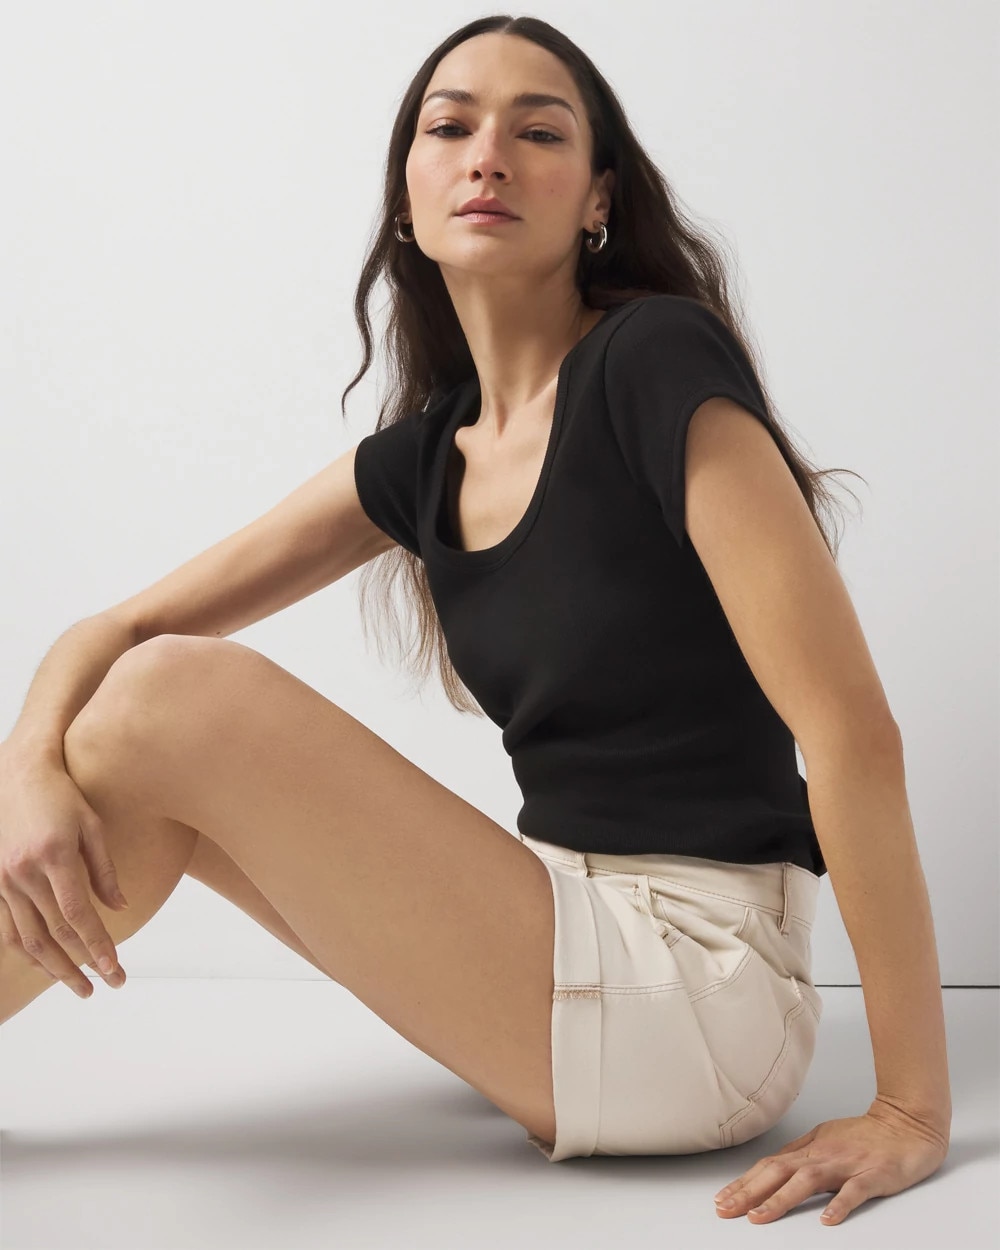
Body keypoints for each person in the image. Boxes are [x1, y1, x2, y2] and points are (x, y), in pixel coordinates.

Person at [0, 13, 950, 1228]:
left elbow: (851, 731)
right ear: (407, 195)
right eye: (450, 127)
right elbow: (119, 624)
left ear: (597, 198)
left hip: (700, 990)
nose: (487, 154)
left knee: (170, 699)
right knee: (126, 745)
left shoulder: (653, 360)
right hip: (561, 934)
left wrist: (909, 1106)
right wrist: (28, 766)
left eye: (537, 132)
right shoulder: (426, 454)